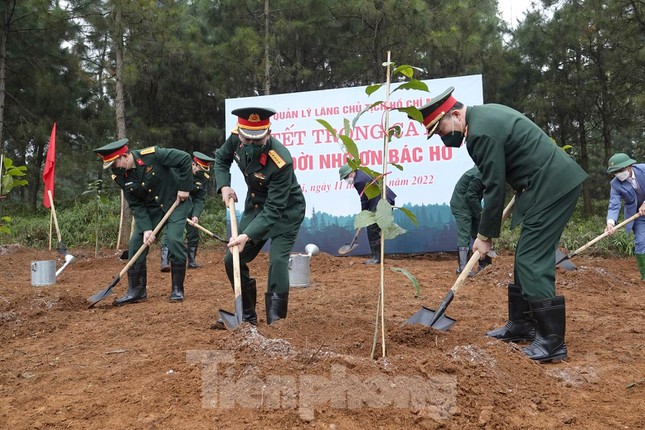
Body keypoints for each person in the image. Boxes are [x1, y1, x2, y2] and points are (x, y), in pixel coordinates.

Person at [416, 87, 588, 363]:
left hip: (552, 185)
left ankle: (552, 342)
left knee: (533, 258)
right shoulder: (485, 116)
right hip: (541, 183)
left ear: (456, 114)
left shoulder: (480, 134)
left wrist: (484, 235)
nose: (442, 136)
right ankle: (522, 324)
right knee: (525, 256)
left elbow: (493, 187)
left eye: (441, 128)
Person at [212, 107, 306, 326]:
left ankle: (276, 320)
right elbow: (221, 158)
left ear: (268, 134)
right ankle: (247, 316)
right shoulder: (236, 138)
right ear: (240, 133)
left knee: (278, 262)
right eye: (248, 139)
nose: (252, 144)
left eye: (258, 140)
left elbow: (274, 209)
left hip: (285, 213)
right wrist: (224, 186)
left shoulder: (281, 161)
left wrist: (248, 236)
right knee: (232, 258)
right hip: (255, 208)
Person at [93, 138, 194, 305]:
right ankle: (137, 290)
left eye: (114, 164)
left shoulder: (153, 155)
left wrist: (184, 188)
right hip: (151, 210)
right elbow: (136, 204)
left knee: (174, 240)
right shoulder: (119, 176)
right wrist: (147, 228)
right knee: (135, 242)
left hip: (176, 203)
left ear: (124, 156)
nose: (113, 168)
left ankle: (177, 289)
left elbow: (184, 159)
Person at [160, 151, 214, 271]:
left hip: (190, 204)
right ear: (193, 164)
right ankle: (165, 261)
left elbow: (200, 198)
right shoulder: (179, 171)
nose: (201, 173)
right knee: (170, 232)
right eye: (200, 169)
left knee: (193, 231)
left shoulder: (203, 178)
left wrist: (195, 215)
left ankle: (192, 261)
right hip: (174, 203)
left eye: (204, 171)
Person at [338, 164, 396, 264]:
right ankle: (377, 257)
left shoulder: (359, 181)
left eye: (346, 177)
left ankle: (376, 258)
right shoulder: (362, 173)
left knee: (372, 228)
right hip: (383, 200)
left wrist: (363, 214)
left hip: (382, 202)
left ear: (352, 173)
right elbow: (365, 196)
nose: (346, 180)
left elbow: (364, 199)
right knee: (374, 229)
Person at [604, 153, 645, 281]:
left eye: (620, 170)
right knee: (640, 241)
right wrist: (610, 223)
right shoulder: (615, 184)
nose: (618, 174)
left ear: (629, 166)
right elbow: (614, 205)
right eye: (615, 172)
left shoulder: (643, 169)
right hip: (637, 216)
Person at [449, 166, 492, 275]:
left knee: (478, 231)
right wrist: (480, 214)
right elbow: (471, 195)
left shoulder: (485, 170)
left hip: (470, 203)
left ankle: (484, 264)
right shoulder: (481, 172)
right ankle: (463, 268)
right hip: (460, 204)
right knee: (464, 233)